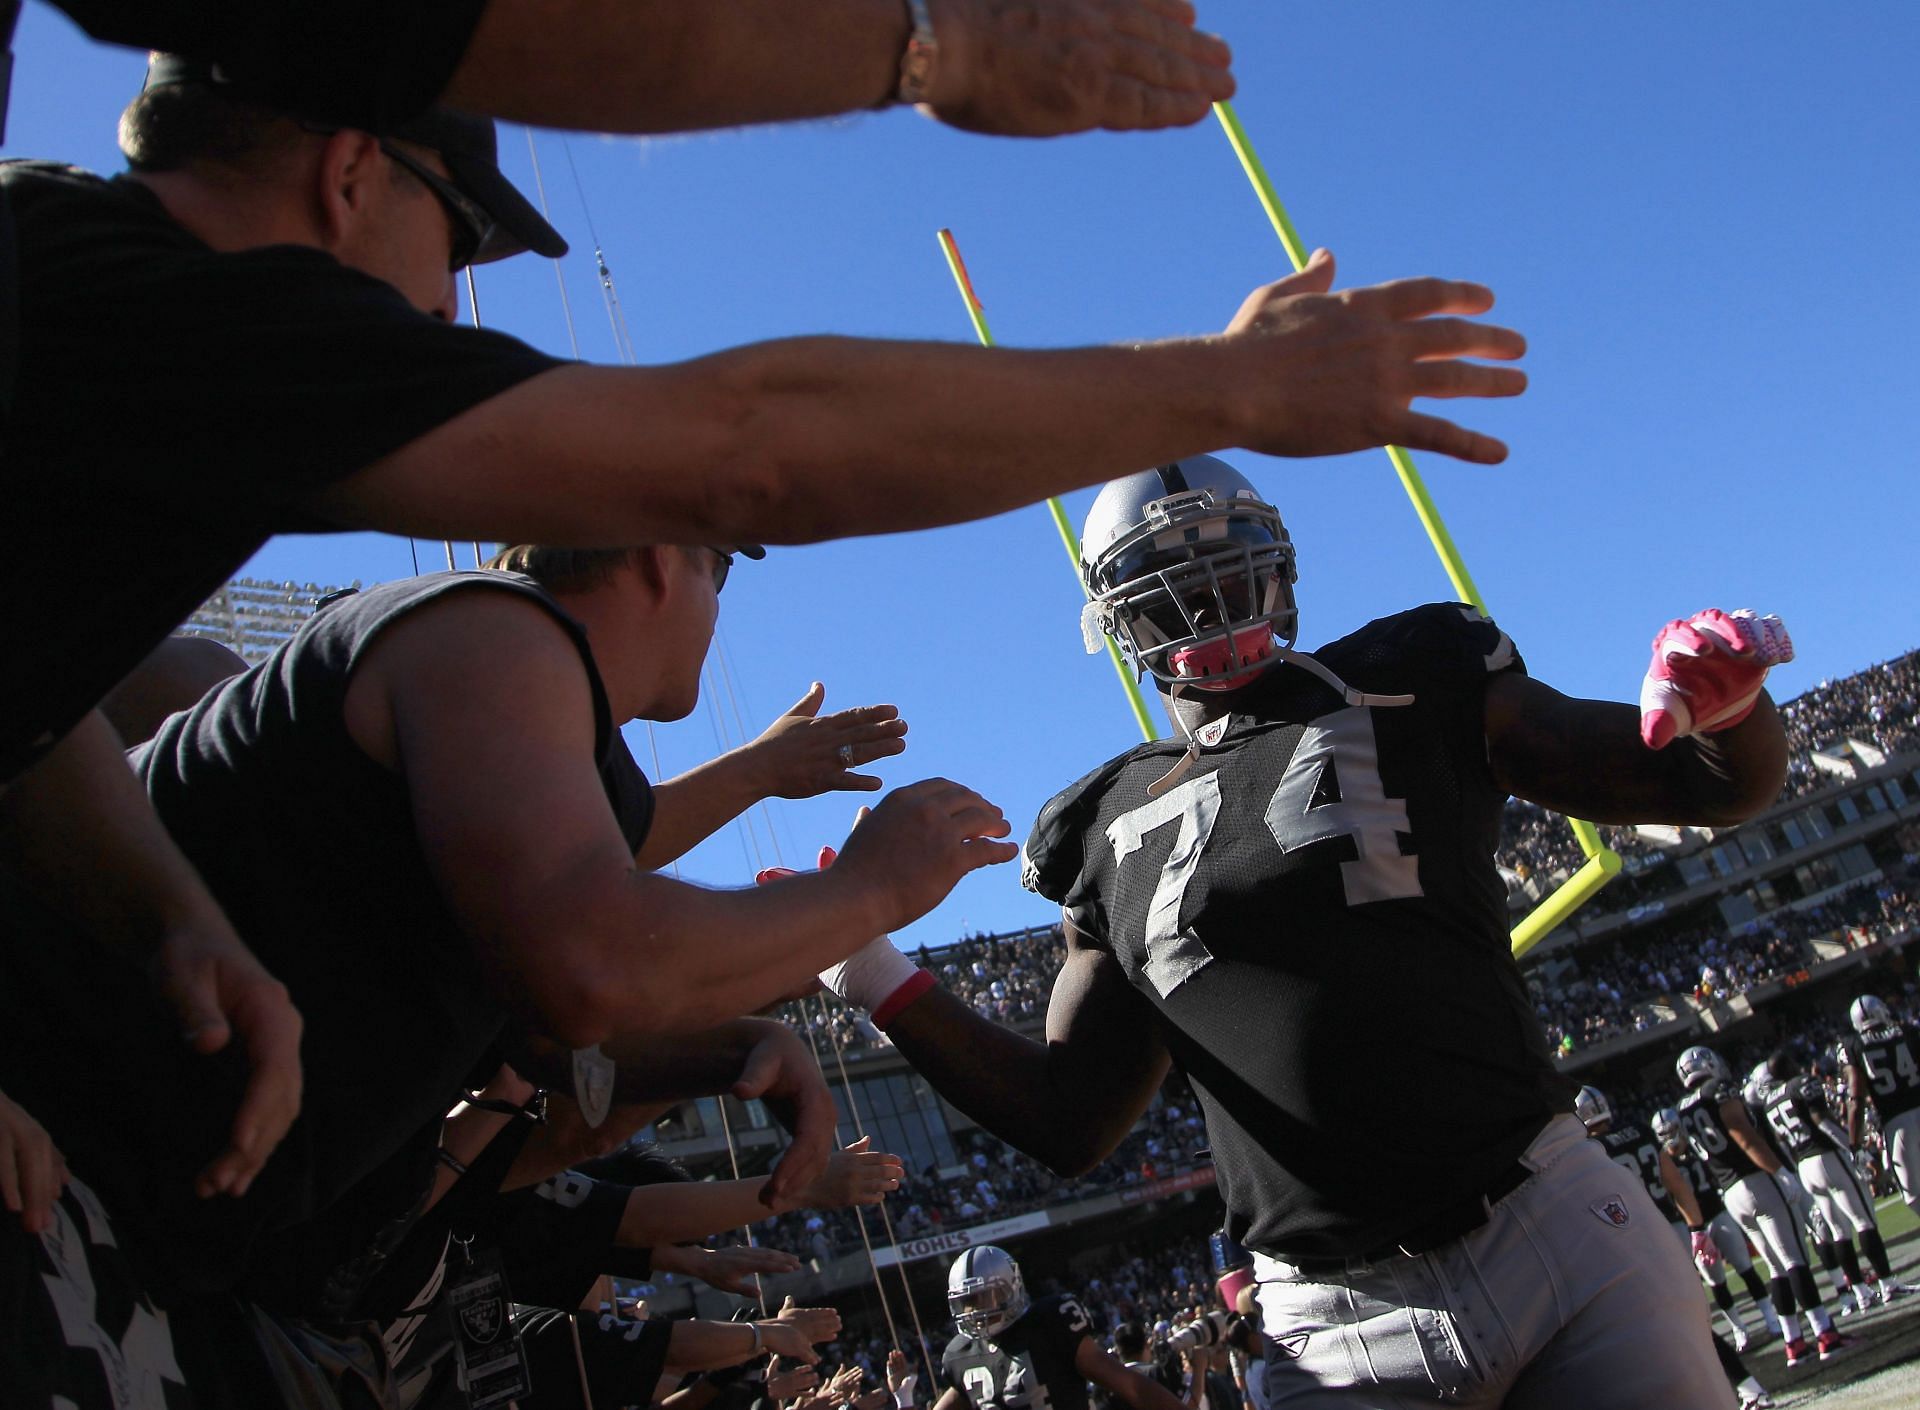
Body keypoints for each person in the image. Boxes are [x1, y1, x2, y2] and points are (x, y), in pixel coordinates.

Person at [806, 456, 1795, 1406]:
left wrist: (1730, 712)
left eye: (1229, 563)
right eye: (1169, 586)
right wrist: (866, 961)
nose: (1208, 606)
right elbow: (1071, 1118)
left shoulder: (1409, 676)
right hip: (1331, 1321)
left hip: (1548, 1226)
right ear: (1115, 617)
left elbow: (1706, 783)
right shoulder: (1103, 823)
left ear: (1279, 566)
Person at [0, 543, 1010, 1403]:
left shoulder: (530, 706)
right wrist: (871, 892)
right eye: (719, 577)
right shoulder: (490, 633)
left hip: (139, 1230)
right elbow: (590, 961)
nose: (716, 614)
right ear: (661, 556)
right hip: (54, 1188)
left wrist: (735, 1036)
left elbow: (592, 920)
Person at [1675, 1045, 1850, 1368]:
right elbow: (1742, 1134)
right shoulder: (1718, 1090)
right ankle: (1826, 1333)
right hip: (1755, 1179)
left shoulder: (1682, 1107)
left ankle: (1793, 1342)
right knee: (1795, 1259)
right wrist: (1780, 1171)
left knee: (1776, 1267)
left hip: (1729, 1191)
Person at [938, 1245, 1192, 1410]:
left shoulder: (1048, 1324)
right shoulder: (960, 1355)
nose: (977, 1309)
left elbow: (1130, 1384)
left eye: (986, 1296)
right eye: (968, 1301)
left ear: (1012, 1288)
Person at [1756, 1049, 1911, 1311]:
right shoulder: (1802, 1084)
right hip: (1827, 1156)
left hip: (1804, 1164)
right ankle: (1887, 1283)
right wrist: (1855, 1149)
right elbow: (1823, 1122)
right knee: (1864, 1221)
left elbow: (1781, 1142)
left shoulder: (1770, 1100)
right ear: (1788, 1066)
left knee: (1839, 1231)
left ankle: (1861, 1293)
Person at [1651, 1106, 1779, 1349]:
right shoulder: (1663, 1163)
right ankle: (1739, 1329)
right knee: (1716, 1282)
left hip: (1717, 1214)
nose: (1669, 1137)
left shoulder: (1700, 1149)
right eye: (1663, 1133)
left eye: (1671, 1130)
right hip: (1694, 1228)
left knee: (1744, 1267)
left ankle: (1771, 1318)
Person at [1840, 994, 1920, 1216]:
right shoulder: (1906, 1031)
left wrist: (1855, 1145)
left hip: (1897, 1124)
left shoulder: (1853, 1045)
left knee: (1913, 1195)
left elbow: (1856, 1099)